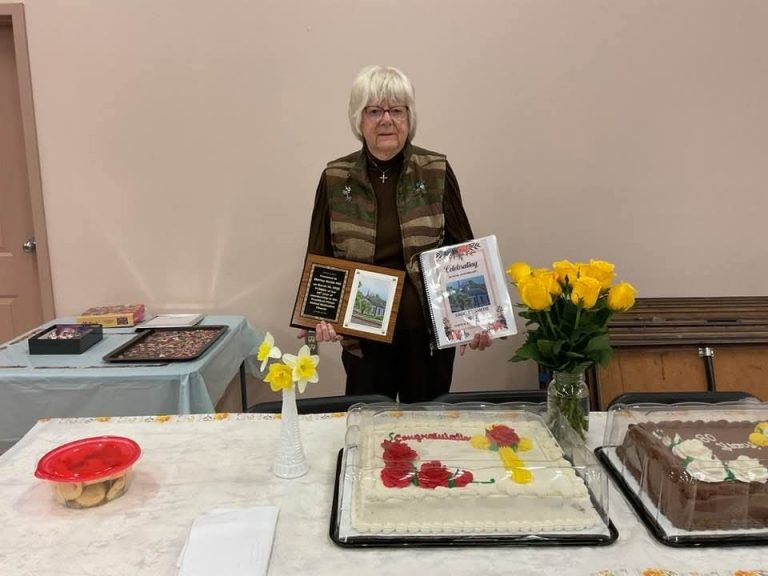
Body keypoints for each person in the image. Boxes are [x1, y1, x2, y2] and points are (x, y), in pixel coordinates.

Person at [302, 65, 490, 403]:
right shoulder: (336, 177)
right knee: (368, 421)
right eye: (374, 111)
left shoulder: (435, 170)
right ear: (359, 119)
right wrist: (317, 317)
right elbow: (320, 254)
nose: (386, 120)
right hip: (364, 340)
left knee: (428, 424)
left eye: (397, 110)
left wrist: (476, 318)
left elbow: (462, 250)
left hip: (427, 335)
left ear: (409, 117)